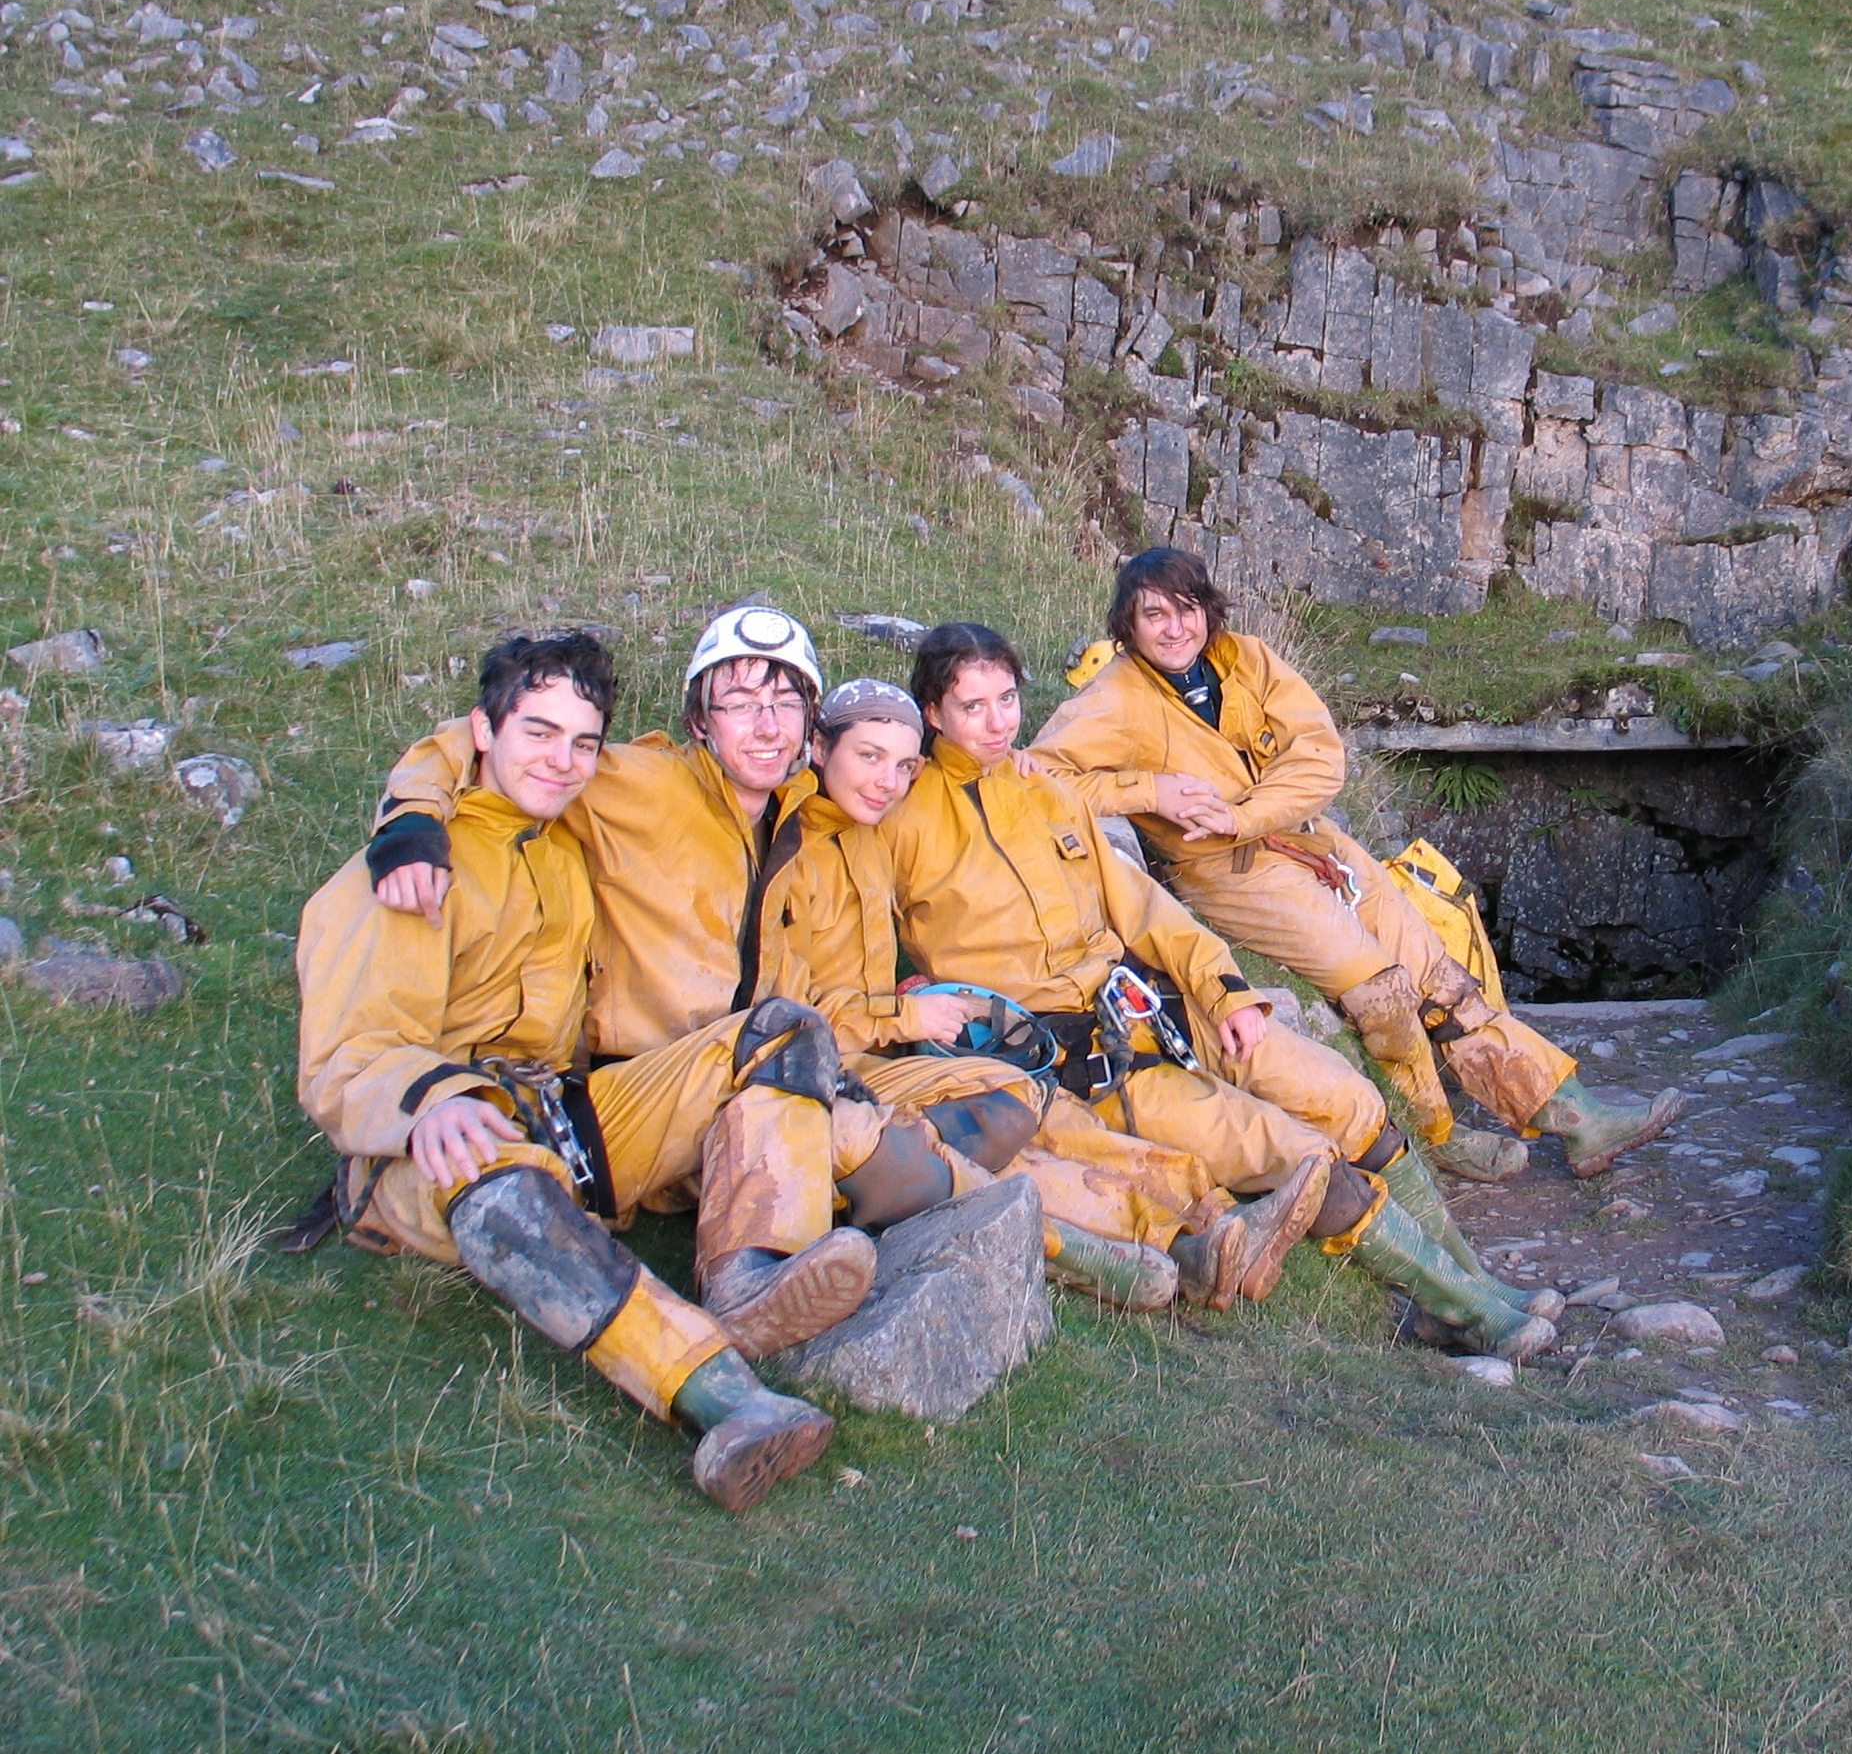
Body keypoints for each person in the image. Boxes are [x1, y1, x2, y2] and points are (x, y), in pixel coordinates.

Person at [880, 623, 1556, 1361]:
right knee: (1297, 1154)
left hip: (1156, 1005)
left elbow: (1142, 907)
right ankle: (1461, 1309)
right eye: (972, 706)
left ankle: (1476, 1281)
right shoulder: (899, 818)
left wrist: (1225, 990)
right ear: (933, 713)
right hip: (1075, 1060)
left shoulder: (1046, 792)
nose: (997, 723)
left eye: (1007, 699)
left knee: (1347, 1097)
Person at [361, 605, 1029, 1348]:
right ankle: (770, 1264)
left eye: (785, 704)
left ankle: (860, 1180)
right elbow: (500, 739)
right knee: (803, 1066)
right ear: (699, 720)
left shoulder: (800, 812)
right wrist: (410, 818)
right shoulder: (637, 786)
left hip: (766, 1072)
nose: (766, 727)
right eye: (740, 704)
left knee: (1006, 1092)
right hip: (654, 1086)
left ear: (809, 727)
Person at [294, 632, 834, 1512]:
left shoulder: (559, 844)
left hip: (561, 1112)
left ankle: (754, 1279)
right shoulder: (409, 871)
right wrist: (434, 1100)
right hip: (434, 1146)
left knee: (782, 1031)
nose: (562, 761)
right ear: (484, 734)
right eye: (538, 734)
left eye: (583, 743)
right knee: (496, 1175)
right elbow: (345, 1056)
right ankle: (727, 1401)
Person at [1030, 548, 1682, 1187]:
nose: (1176, 628)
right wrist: (1150, 792)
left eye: (1187, 608)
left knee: (1438, 975)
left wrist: (1244, 814)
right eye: (1154, 614)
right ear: (1128, 623)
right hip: (1231, 873)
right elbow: (1039, 777)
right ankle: (1437, 1136)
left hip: (1316, 844)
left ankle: (1575, 1117)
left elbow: (1319, 757)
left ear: (1208, 610)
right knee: (1380, 989)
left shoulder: (1248, 659)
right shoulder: (1115, 696)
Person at [776, 676, 1306, 1312]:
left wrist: (1002, 767)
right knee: (1011, 1133)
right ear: (818, 748)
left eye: (902, 765)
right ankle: (1171, 1243)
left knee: (1040, 1107)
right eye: (868, 757)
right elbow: (784, 1016)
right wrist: (901, 1013)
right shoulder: (796, 851)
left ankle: (1211, 1225)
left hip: (886, 1044)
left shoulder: (871, 827)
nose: (887, 781)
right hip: (833, 1069)